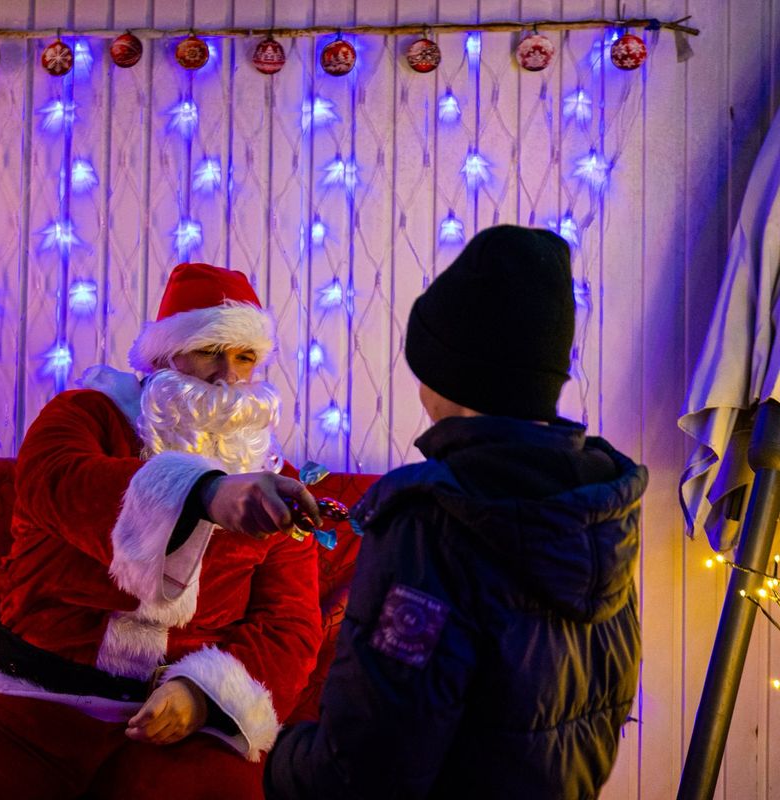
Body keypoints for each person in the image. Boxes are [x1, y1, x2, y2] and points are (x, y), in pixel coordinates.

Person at [0, 263, 327, 800]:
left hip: (181, 722)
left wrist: (203, 695)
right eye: (207, 350)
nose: (226, 376)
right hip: (25, 700)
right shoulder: (83, 417)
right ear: (162, 357)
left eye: (244, 357)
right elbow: (54, 481)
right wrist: (204, 493)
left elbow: (289, 623)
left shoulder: (277, 482)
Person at [264, 225, 648, 799]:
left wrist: (274, 755)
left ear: (451, 372)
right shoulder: (599, 514)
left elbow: (363, 775)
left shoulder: (431, 525)